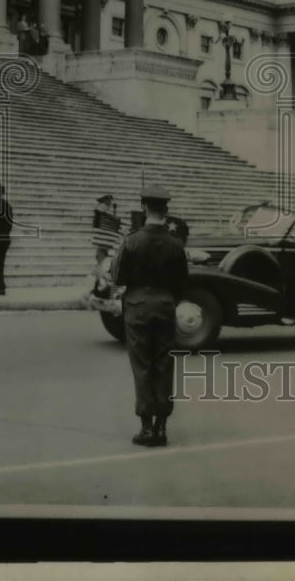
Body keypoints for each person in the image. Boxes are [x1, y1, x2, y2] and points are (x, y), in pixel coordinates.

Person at [112, 184, 188, 448]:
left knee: (142, 365)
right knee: (164, 364)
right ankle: (162, 426)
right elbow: (182, 282)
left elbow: (117, 276)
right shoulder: (176, 244)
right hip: (166, 305)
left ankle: (146, 428)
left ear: (144, 207)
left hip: (137, 306)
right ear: (166, 209)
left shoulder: (131, 240)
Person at [91, 194, 123, 296]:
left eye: (108, 204)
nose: (108, 206)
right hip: (102, 247)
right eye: (106, 204)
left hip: (108, 247)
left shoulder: (107, 215)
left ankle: (104, 290)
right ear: (101, 204)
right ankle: (98, 290)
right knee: (101, 268)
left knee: (107, 269)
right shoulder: (99, 215)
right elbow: (97, 220)